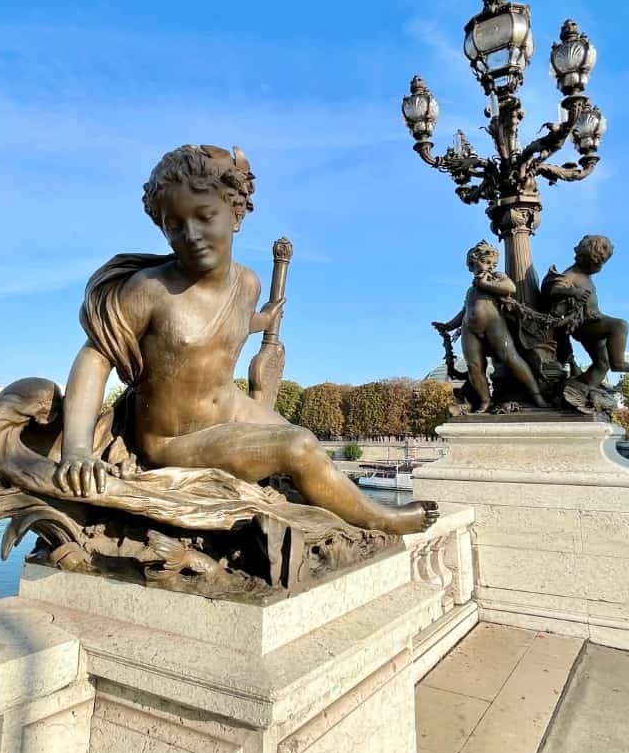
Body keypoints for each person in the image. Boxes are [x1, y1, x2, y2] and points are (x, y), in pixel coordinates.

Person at [54, 144, 435, 536]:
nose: (191, 235)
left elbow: (224, 327)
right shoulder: (148, 290)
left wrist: (262, 320)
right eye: (174, 225)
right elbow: (94, 359)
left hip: (230, 407)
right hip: (172, 439)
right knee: (297, 446)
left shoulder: (248, 284)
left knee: (309, 448)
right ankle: (381, 518)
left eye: (205, 217)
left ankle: (336, 514)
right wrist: (77, 450)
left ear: (235, 215)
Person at [433, 240, 547, 412]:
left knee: (511, 358)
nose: (491, 266)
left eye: (493, 263)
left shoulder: (496, 277)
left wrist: (485, 284)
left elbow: (510, 287)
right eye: (486, 262)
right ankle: (485, 400)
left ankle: (537, 396)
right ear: (472, 263)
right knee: (474, 366)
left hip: (494, 325)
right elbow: (464, 311)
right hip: (468, 329)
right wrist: (447, 326)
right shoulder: (471, 290)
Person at [541, 235, 629, 387]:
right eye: (598, 263)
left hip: (594, 322)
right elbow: (554, 290)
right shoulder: (571, 275)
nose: (600, 267)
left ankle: (578, 388)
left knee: (602, 364)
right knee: (620, 325)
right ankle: (618, 363)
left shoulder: (584, 275)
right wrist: (574, 292)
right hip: (585, 324)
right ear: (585, 259)